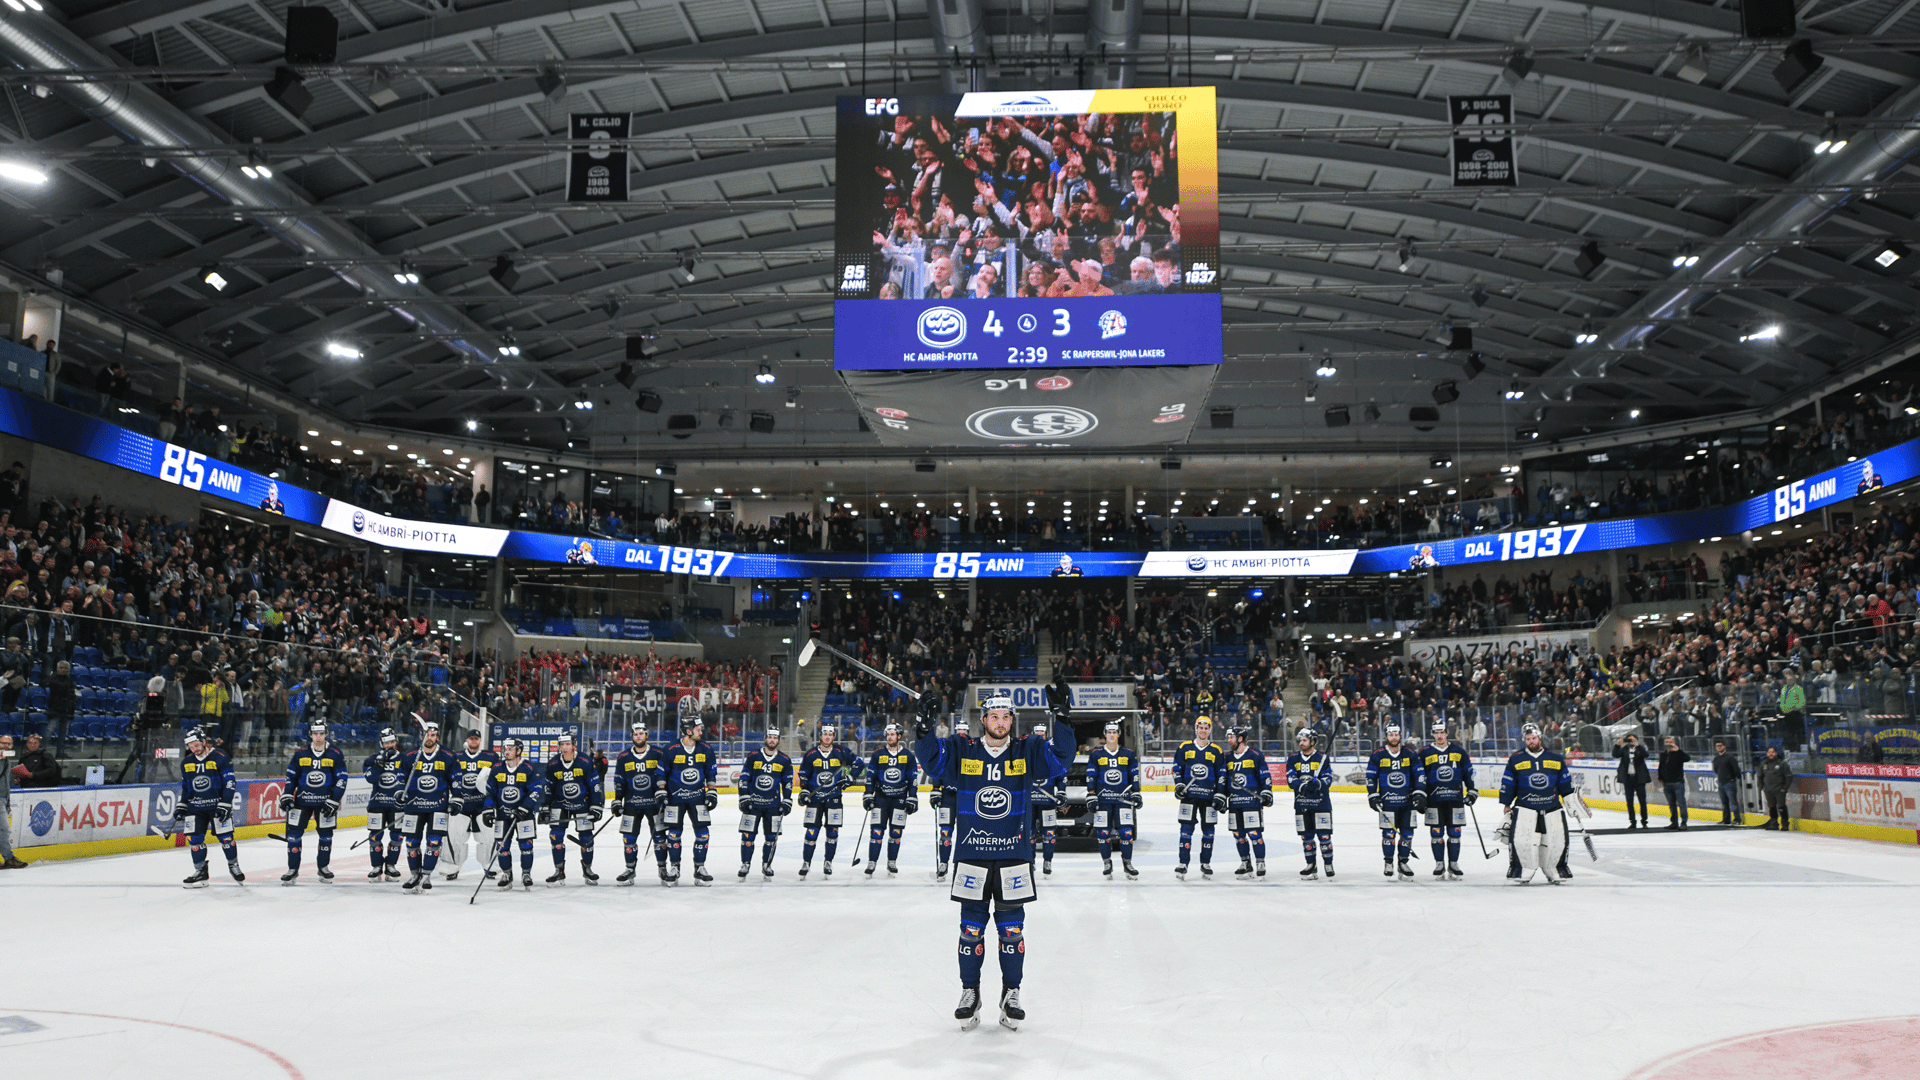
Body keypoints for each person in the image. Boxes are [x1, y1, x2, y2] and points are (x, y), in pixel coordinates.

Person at [912, 695, 1070, 1031]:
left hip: (1014, 856)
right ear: (983, 719)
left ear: (1013, 720)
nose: (999, 722)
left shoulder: (1029, 749)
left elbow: (1062, 760)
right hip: (972, 856)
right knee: (970, 932)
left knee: (1012, 932)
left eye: (1005, 717)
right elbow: (930, 762)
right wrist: (923, 727)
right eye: (993, 716)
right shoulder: (962, 748)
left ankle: (1011, 992)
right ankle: (970, 992)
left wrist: (1064, 720)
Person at [1497, 722, 1588, 885]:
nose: (1531, 741)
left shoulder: (1555, 757)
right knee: (1522, 840)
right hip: (1525, 806)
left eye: (1533, 738)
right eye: (1528, 739)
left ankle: (1554, 869)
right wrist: (1506, 803)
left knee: (1557, 841)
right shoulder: (1516, 758)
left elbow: (1565, 783)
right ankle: (1523, 869)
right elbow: (1509, 782)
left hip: (1552, 806)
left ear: (1539, 738)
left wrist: (1571, 801)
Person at [276, 720, 348, 884]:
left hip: (325, 804)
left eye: (321, 734)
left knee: (326, 837)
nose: (318, 737)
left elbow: (342, 780)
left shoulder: (335, 754)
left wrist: (334, 799)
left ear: (326, 734)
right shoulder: (300, 754)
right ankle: (292, 869)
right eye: (315, 734)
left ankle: (323, 867)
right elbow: (291, 777)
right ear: (310, 735)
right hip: (302, 802)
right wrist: (287, 795)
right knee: (293, 836)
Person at [174, 727, 244, 888]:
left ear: (204, 741)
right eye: (191, 747)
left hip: (217, 806)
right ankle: (200, 872)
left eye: (197, 745)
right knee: (194, 840)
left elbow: (230, 783)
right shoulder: (187, 762)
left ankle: (233, 865)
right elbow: (186, 787)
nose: (194, 749)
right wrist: (182, 806)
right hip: (195, 807)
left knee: (226, 838)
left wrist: (225, 804)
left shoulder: (220, 757)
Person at [395, 721, 456, 892]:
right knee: (411, 842)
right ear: (421, 735)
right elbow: (401, 778)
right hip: (414, 807)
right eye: (427, 734)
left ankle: (427, 876)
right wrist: (399, 794)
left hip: (438, 807)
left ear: (437, 736)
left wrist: (457, 799)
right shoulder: (410, 755)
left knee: (433, 842)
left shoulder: (448, 755)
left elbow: (455, 780)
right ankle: (415, 875)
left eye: (433, 735)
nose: (430, 738)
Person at [798, 723, 862, 878]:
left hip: (834, 797)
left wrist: (851, 777)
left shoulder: (841, 751)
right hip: (815, 799)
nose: (827, 736)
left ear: (833, 736)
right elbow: (803, 775)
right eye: (824, 734)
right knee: (811, 832)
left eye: (830, 734)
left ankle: (828, 862)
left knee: (832, 832)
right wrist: (804, 790)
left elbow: (859, 763)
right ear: (820, 736)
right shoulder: (811, 754)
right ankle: (806, 863)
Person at [660, 716, 717, 885]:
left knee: (703, 834)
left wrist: (712, 792)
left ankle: (699, 868)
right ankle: (675, 867)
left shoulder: (706, 749)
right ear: (688, 731)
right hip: (675, 799)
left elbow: (711, 773)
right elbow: (661, 773)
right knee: (673, 834)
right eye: (698, 729)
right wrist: (662, 793)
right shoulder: (671, 749)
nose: (702, 731)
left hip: (698, 799)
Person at [543, 730, 603, 886]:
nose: (565, 747)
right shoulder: (553, 764)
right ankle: (558, 871)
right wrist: (545, 806)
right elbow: (549, 788)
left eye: (568, 744)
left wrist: (596, 805)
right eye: (562, 744)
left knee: (586, 838)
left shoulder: (585, 761)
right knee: (555, 836)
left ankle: (587, 869)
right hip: (559, 804)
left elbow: (595, 786)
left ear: (574, 745)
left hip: (582, 804)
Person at [613, 722, 670, 885]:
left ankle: (662, 868)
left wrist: (665, 794)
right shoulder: (623, 757)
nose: (638, 736)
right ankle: (630, 869)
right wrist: (617, 800)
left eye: (641, 733)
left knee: (660, 838)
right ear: (632, 736)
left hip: (654, 805)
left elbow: (666, 774)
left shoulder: (658, 753)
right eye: (635, 734)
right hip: (632, 804)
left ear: (646, 735)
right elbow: (619, 781)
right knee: (628, 839)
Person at [1416, 722, 1475, 879]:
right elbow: (1419, 775)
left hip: (1455, 799)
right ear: (1433, 734)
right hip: (1433, 800)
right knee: (1436, 833)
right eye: (1436, 733)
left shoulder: (1459, 751)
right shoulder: (1425, 752)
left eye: (1442, 732)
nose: (1440, 735)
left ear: (1447, 733)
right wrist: (1419, 795)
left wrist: (1472, 791)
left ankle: (1454, 863)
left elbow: (1468, 773)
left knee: (1455, 832)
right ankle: (1439, 863)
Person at [1367, 724, 1426, 880]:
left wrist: (1419, 794)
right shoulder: (1378, 755)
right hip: (1387, 803)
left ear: (1400, 736)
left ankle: (1403, 862)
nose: (1394, 737)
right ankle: (1388, 862)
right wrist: (1373, 796)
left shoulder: (1410, 754)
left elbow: (1419, 775)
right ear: (1386, 736)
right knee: (1388, 834)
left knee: (1407, 835)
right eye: (1390, 734)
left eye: (1396, 734)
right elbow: (1370, 777)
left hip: (1407, 803)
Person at [483, 738, 543, 890]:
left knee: (526, 845)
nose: (507, 751)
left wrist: (525, 808)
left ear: (519, 750)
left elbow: (536, 790)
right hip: (503, 815)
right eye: (506, 748)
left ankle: (526, 874)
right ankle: (507, 874)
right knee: (502, 847)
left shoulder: (528, 767)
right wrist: (489, 809)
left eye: (511, 748)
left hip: (524, 815)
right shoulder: (497, 767)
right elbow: (490, 791)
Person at [863, 722, 922, 877]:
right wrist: (868, 795)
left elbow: (913, 779)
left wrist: (912, 797)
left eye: (893, 734)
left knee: (896, 832)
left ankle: (891, 862)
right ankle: (872, 862)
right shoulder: (878, 754)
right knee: (876, 832)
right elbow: (870, 776)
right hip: (880, 799)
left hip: (899, 799)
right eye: (888, 734)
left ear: (899, 736)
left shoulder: (908, 756)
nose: (890, 737)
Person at [1084, 720, 1140, 878]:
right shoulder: (1096, 754)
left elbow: (1134, 775)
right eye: (1109, 732)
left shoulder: (1128, 753)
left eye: (1115, 732)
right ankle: (1107, 862)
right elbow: (1091, 775)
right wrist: (1091, 794)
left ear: (1119, 735)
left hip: (1123, 801)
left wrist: (1136, 792)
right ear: (1105, 734)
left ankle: (1127, 863)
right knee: (1103, 833)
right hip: (1103, 801)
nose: (1112, 735)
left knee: (1126, 833)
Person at [1173, 715, 1226, 878]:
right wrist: (1179, 785)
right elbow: (1177, 768)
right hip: (1189, 797)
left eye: (1206, 728)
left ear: (1210, 730)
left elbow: (1222, 774)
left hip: (1209, 797)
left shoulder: (1216, 750)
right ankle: (1183, 863)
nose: (1203, 731)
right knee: (1185, 831)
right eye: (1200, 727)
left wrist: (1220, 794)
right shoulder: (1184, 748)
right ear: (1195, 729)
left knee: (1209, 831)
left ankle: (1205, 863)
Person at [737, 727, 794, 880]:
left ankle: (766, 864)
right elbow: (744, 778)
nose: (772, 740)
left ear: (778, 740)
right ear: (765, 739)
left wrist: (787, 800)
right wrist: (744, 797)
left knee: (771, 838)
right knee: (747, 836)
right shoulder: (754, 756)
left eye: (775, 738)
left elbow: (787, 783)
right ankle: (746, 864)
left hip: (773, 805)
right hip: (753, 804)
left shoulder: (784, 760)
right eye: (770, 737)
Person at [443, 729, 499, 880]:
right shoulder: (456, 757)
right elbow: (449, 778)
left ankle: (491, 867)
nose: (474, 741)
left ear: (480, 740)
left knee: (489, 836)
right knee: (454, 835)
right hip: (462, 804)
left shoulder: (491, 756)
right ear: (467, 740)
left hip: (482, 805)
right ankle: (451, 868)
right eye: (471, 738)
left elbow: (497, 778)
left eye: (476, 739)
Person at [1222, 725, 1273, 879]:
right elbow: (1223, 781)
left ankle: (1260, 863)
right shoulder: (1228, 757)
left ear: (1240, 738)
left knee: (1254, 834)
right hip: (1235, 803)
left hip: (1252, 802)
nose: (1229, 740)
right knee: (1238, 835)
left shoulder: (1255, 755)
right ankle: (1246, 863)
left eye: (1231, 737)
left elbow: (1265, 776)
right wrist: (1222, 797)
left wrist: (1267, 792)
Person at [1287, 726, 1336, 880]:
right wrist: (1302, 786)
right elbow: (1290, 778)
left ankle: (1328, 863)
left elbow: (1328, 778)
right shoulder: (1294, 758)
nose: (1301, 743)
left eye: (1305, 740)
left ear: (1313, 741)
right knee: (1306, 837)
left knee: (1324, 837)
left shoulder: (1322, 758)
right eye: (1300, 740)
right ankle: (1311, 865)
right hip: (1302, 804)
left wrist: (1318, 784)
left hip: (1321, 804)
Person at [362, 728, 406, 881]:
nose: (390, 745)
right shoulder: (372, 758)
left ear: (396, 742)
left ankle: (391, 865)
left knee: (397, 837)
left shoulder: (405, 759)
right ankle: (376, 866)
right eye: (387, 742)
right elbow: (370, 778)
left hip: (397, 806)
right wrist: (378, 764)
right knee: (375, 837)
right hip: (377, 803)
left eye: (392, 742)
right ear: (381, 743)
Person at [1024, 722, 1066, 875]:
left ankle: (1047, 861)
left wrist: (1061, 792)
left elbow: (1061, 777)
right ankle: (1030, 861)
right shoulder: (1025, 753)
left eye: (1042, 734)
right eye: (1037, 734)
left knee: (1049, 833)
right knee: (1029, 833)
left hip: (1047, 802)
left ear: (1046, 736)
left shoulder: (1052, 754)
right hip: (1029, 802)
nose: (1040, 737)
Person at [1612, 733, 1652, 829]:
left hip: (1639, 779)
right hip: (1628, 778)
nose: (1631, 742)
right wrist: (1617, 745)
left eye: (1632, 740)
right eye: (1629, 740)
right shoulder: (1624, 749)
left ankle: (1644, 821)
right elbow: (1615, 755)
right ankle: (1633, 821)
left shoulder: (1640, 748)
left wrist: (1638, 745)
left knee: (1642, 801)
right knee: (1629, 801)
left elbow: (1646, 755)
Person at [0, 733, 27, 868]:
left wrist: (7, 803)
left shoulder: (6, 760)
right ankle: (9, 857)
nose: (5, 746)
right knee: (4, 829)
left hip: (3, 799)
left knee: (3, 829)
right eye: (3, 743)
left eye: (8, 744)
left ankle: (8, 857)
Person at [1658, 735, 1692, 829]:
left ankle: (1684, 822)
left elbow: (1687, 758)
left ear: (1674, 743)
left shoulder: (1678, 754)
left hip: (1678, 783)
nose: (1668, 744)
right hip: (1667, 784)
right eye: (1667, 742)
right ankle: (1674, 822)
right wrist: (1660, 778)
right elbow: (1661, 767)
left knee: (1681, 804)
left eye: (1670, 742)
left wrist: (1679, 751)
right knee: (1671, 805)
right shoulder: (1663, 754)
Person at [1758, 745, 1793, 830]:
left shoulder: (1782, 763)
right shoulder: (1763, 764)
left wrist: (1785, 788)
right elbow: (1760, 776)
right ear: (1767, 753)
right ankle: (1774, 824)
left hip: (1779, 790)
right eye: (1769, 752)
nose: (1771, 754)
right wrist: (1761, 787)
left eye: (1773, 752)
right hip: (1768, 790)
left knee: (1781, 807)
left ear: (1776, 753)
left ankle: (1785, 824)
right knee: (1772, 808)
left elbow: (1789, 776)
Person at [1710, 739, 1743, 826]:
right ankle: (1726, 819)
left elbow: (1736, 769)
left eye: (1720, 745)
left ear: (1724, 746)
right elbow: (1716, 770)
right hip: (1721, 783)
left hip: (1730, 783)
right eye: (1717, 746)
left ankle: (1737, 819)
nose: (1719, 747)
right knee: (1724, 803)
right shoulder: (1716, 758)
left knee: (1733, 803)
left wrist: (1732, 777)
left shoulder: (1730, 757)